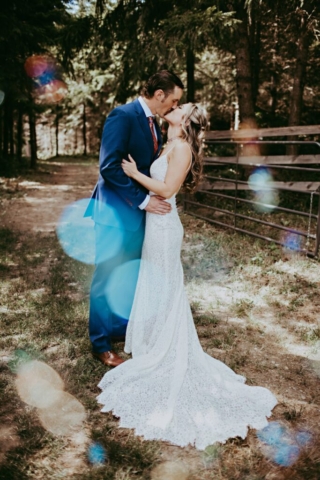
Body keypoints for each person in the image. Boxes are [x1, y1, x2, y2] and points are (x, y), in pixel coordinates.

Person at [96, 103, 278, 449]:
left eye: (181, 107)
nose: (174, 107)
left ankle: (164, 348)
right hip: (154, 225)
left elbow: (166, 191)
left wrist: (134, 173)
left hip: (164, 227)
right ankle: (151, 342)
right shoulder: (167, 142)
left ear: (187, 121)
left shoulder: (182, 149)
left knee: (164, 286)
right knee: (154, 285)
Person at [85, 71, 184, 367]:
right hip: (116, 212)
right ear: (159, 95)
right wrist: (144, 201)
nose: (175, 105)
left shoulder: (153, 123)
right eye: (174, 99)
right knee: (107, 274)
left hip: (137, 215)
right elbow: (109, 167)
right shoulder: (123, 115)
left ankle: (117, 328)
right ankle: (100, 344)